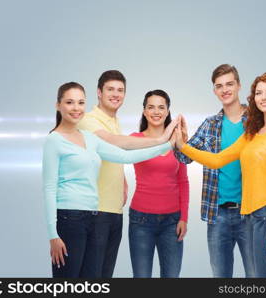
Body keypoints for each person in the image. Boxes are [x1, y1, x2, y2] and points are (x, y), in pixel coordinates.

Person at [42, 82, 175, 278]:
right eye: (69, 102)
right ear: (58, 105)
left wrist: (167, 145)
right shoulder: (54, 140)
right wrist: (53, 234)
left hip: (92, 217)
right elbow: (49, 188)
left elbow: (125, 156)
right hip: (68, 218)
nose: (76, 108)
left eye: (80, 103)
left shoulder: (89, 138)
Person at [176, 72, 266, 278]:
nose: (264, 97)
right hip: (248, 216)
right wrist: (182, 145)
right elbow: (217, 160)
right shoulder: (252, 133)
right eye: (259, 93)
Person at [77, 70, 177, 277]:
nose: (116, 94)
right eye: (110, 89)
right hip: (95, 210)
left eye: (120, 90)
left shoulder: (114, 122)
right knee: (92, 275)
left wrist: (122, 179)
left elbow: (114, 153)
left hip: (115, 211)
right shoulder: (88, 120)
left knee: (105, 275)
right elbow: (112, 142)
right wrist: (161, 141)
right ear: (99, 92)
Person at [174, 64, 255, 278]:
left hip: (250, 213)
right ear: (214, 91)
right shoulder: (210, 124)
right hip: (217, 214)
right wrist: (182, 139)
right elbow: (183, 157)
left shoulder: (256, 122)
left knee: (256, 276)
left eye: (229, 84)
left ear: (239, 85)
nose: (225, 89)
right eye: (219, 86)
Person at [128, 90, 189, 278]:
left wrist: (184, 218)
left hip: (172, 222)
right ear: (144, 111)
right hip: (141, 221)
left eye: (161, 107)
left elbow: (183, 181)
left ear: (168, 111)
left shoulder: (176, 142)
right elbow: (117, 159)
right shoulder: (135, 139)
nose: (156, 111)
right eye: (151, 107)